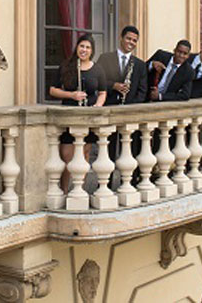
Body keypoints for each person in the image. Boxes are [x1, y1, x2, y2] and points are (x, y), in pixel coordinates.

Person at [48, 34, 106, 191]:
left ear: (92, 51)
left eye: (88, 47)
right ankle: (64, 189)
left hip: (88, 117)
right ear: (77, 47)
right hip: (69, 116)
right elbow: (52, 90)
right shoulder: (67, 66)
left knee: (85, 154)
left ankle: (79, 189)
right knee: (66, 154)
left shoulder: (97, 69)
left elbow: (102, 92)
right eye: (82, 46)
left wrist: (98, 105)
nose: (84, 50)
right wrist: (71, 95)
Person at [96, 25, 148, 105]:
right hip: (107, 107)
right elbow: (96, 81)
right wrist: (113, 85)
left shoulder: (140, 65)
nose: (131, 42)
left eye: (134, 40)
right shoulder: (105, 58)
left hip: (129, 111)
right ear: (121, 38)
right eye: (128, 38)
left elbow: (142, 92)